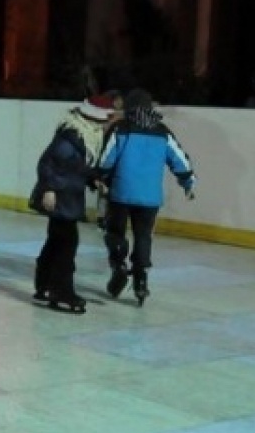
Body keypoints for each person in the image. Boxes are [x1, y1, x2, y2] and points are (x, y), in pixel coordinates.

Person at [96, 88, 196, 306]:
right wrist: (188, 182)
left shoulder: (121, 129)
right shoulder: (162, 132)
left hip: (121, 193)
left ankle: (119, 264)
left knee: (115, 232)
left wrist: (99, 177)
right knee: (143, 236)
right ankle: (141, 279)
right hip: (150, 197)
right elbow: (180, 160)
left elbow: (106, 158)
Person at [28, 94, 117, 314]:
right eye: (105, 118)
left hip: (68, 195)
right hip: (59, 196)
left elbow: (77, 166)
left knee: (56, 242)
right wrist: (49, 189)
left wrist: (94, 179)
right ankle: (61, 293)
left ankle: (45, 286)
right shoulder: (71, 137)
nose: (107, 123)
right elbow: (47, 163)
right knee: (67, 245)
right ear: (94, 118)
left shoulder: (83, 137)